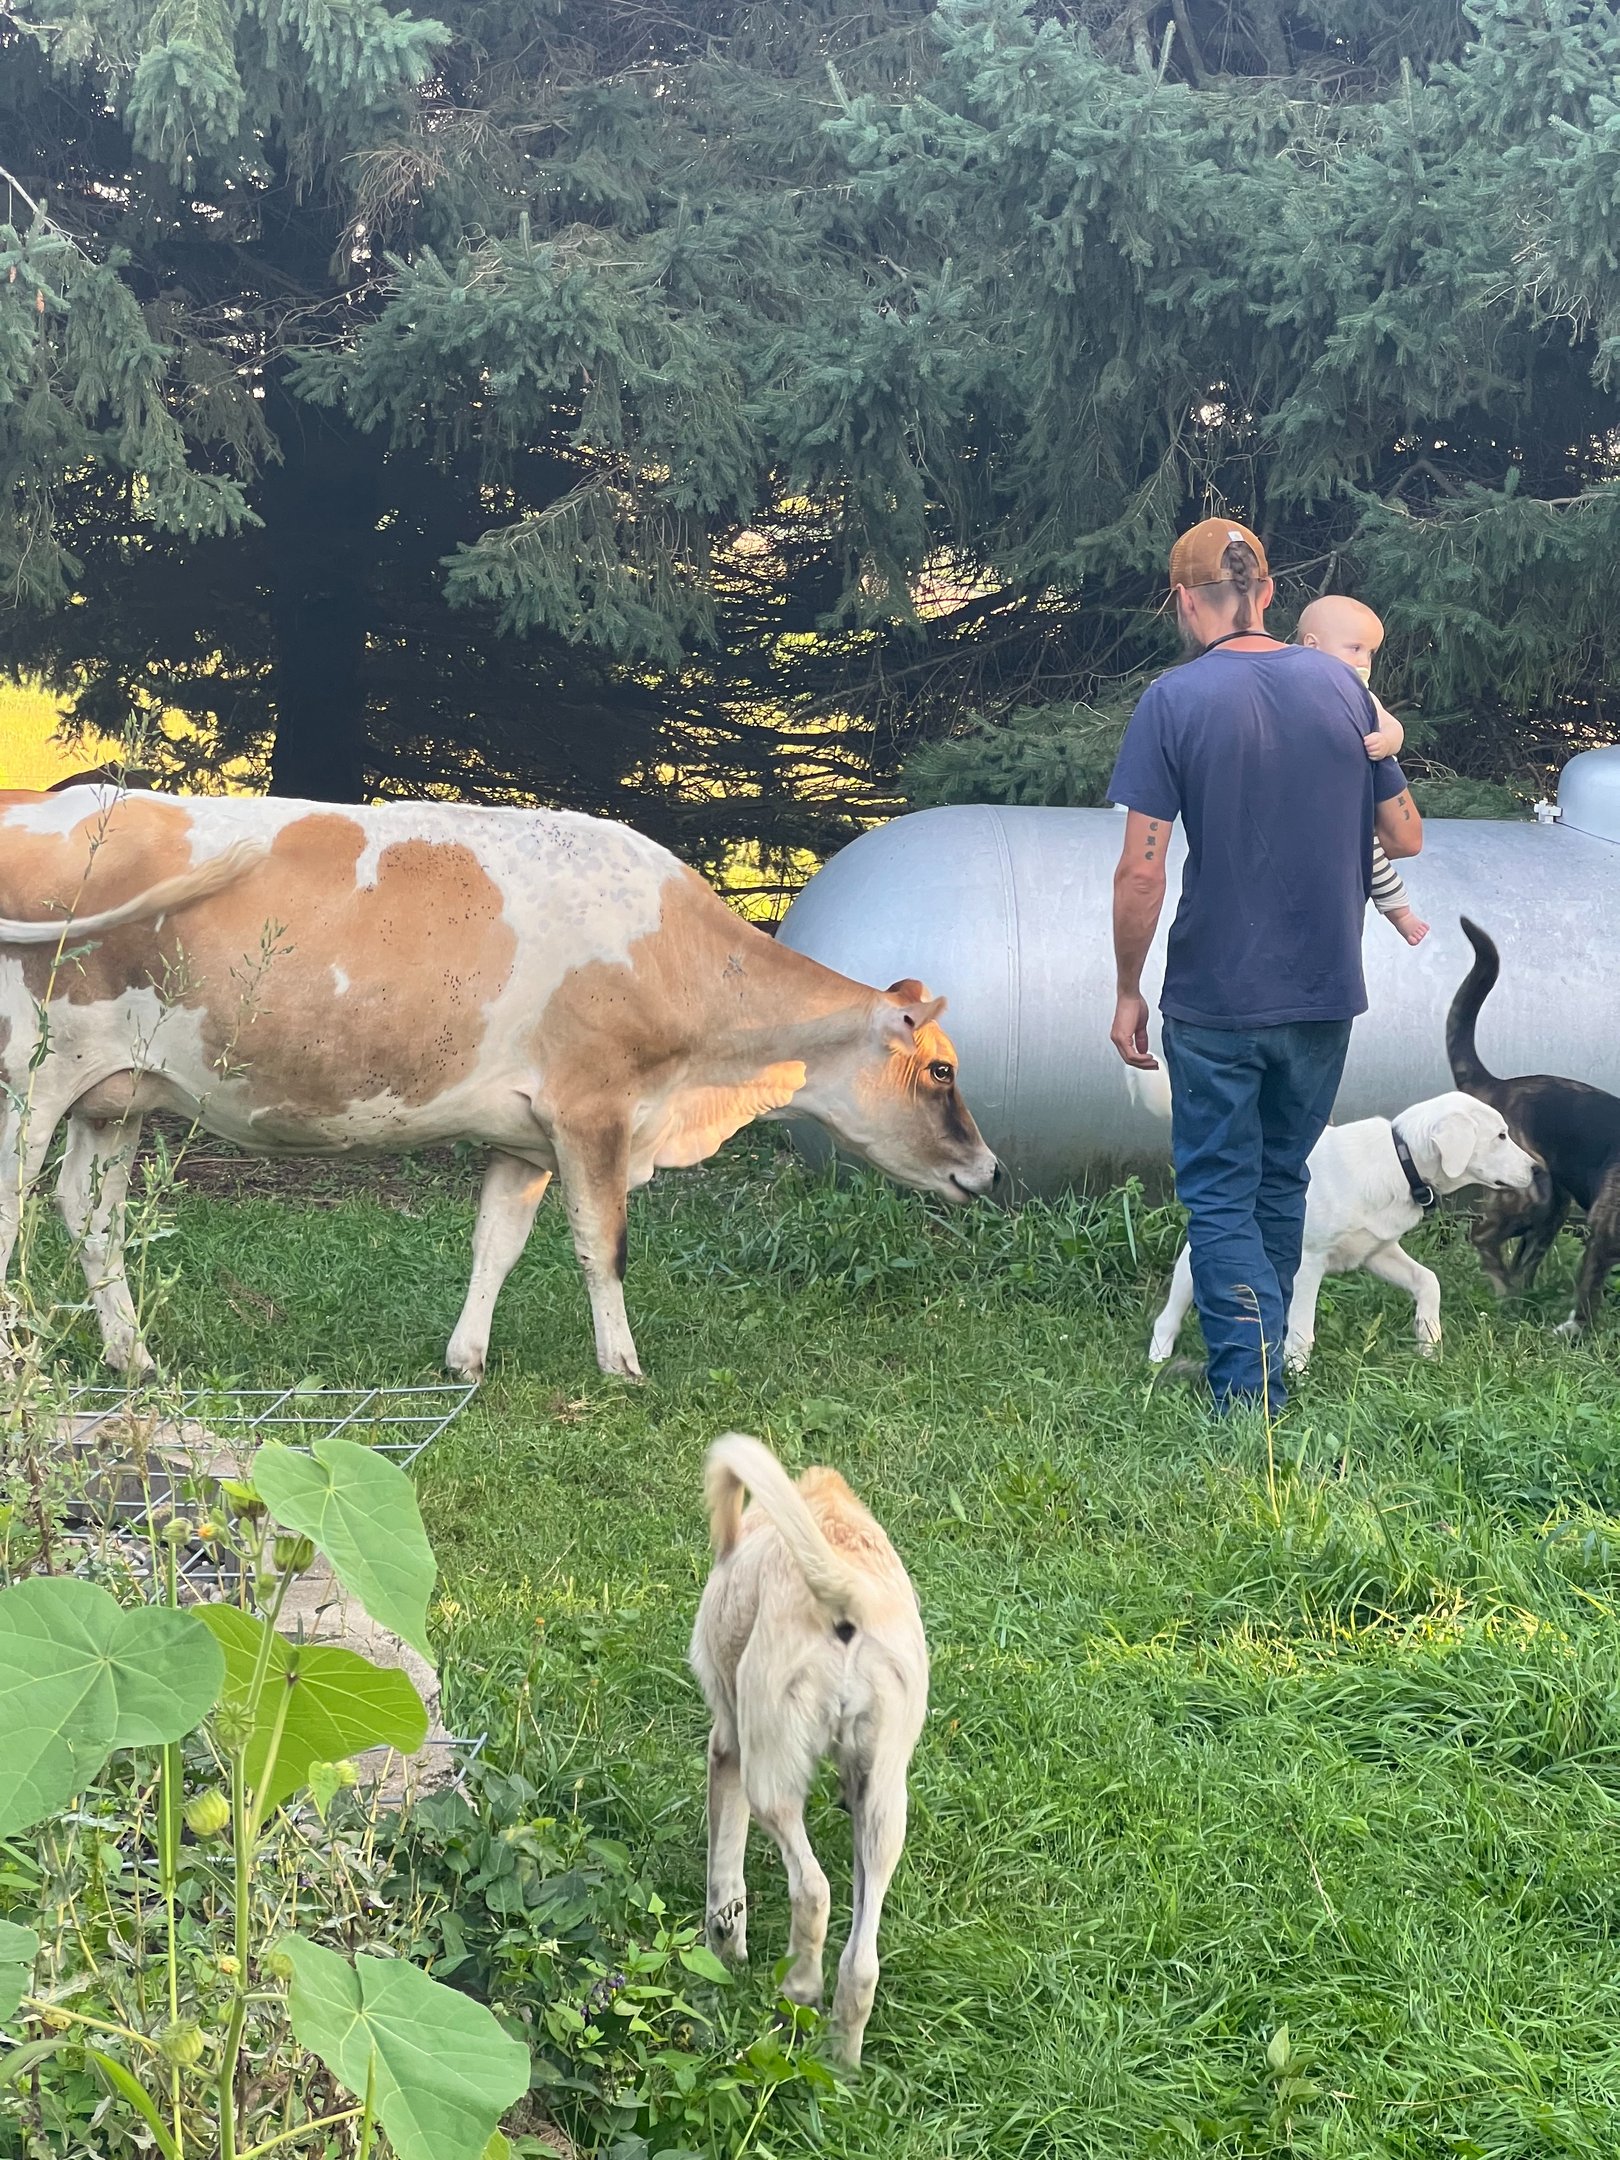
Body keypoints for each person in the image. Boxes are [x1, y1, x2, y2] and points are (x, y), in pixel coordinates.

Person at [1107, 518, 1422, 1413]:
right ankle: (1264, 1367)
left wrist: (1128, 990)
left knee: (1220, 1192)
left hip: (1215, 998)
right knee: (1281, 1180)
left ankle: (1246, 1393)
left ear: (1184, 599)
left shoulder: (1173, 700)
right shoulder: (1342, 687)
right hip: (1325, 996)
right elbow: (1404, 835)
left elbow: (1141, 868)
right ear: (1270, 593)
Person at [1296, 596, 1428, 945]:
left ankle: (1399, 911)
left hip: (1350, 811)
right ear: (1312, 646)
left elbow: (1395, 729)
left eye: (1370, 653)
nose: (1364, 662)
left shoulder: (1362, 697)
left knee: (1368, 855)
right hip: (1307, 809)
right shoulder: (1290, 686)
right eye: (1354, 648)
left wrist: (1384, 743)